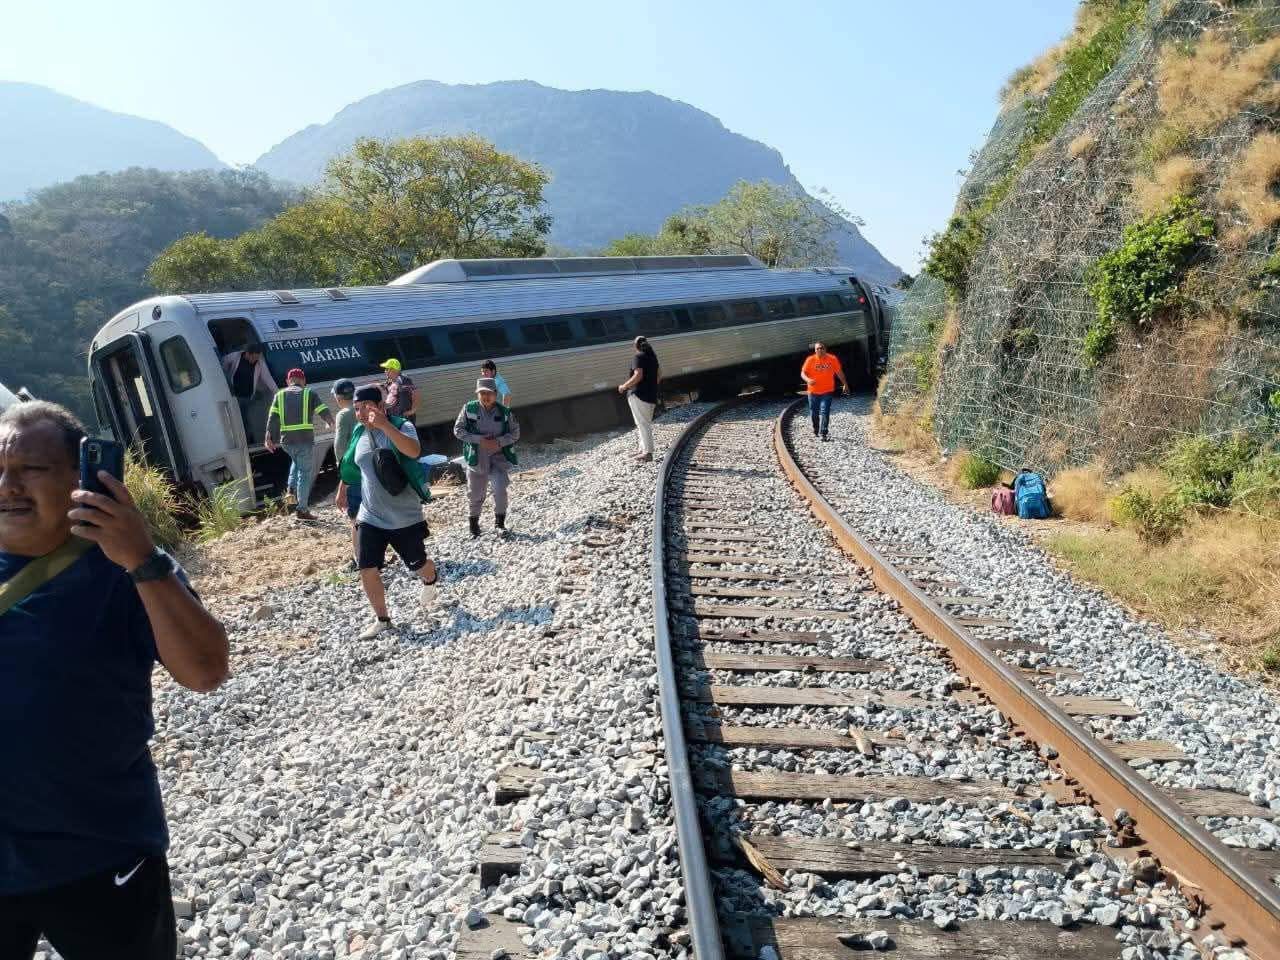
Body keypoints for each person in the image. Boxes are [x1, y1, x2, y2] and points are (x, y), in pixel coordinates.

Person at [0, 401, 228, 959]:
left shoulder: (123, 566)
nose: (8, 486)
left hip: (100, 854)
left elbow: (205, 671)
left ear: (82, 477)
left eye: (31, 469)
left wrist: (142, 559)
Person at [336, 385, 438, 639]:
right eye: (356, 409)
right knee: (366, 566)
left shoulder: (402, 426)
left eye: (366, 407)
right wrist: (342, 489)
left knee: (419, 564)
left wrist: (384, 426)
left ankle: (430, 580)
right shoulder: (359, 431)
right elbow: (352, 463)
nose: (361, 413)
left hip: (404, 516)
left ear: (381, 406)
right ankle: (382, 619)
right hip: (370, 515)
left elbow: (413, 451)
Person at [453, 378, 520, 538]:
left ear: (496, 394)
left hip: (498, 458)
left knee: (500, 490)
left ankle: (500, 524)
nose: (486, 396)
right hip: (477, 458)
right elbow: (458, 430)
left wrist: (499, 442)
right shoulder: (469, 409)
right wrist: (479, 440)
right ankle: (474, 526)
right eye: (482, 393)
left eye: (489, 393)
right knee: (475, 494)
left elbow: (515, 433)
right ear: (477, 394)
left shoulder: (504, 412)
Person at [265, 368, 335, 521]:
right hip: (304, 440)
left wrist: (268, 438)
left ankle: (290, 489)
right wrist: (330, 421)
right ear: (303, 380)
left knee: (296, 461)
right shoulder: (309, 393)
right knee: (304, 474)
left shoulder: (279, 395)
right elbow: (322, 409)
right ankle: (302, 510)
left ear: (288, 381)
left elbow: (272, 418)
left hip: (287, 442)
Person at [220, 342, 277, 446]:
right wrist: (226, 380)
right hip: (234, 396)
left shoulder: (259, 363)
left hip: (247, 397)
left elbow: (268, 379)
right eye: (254, 357)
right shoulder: (235, 357)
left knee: (245, 420)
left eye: (257, 357)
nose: (255, 360)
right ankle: (244, 441)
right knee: (239, 420)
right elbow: (222, 363)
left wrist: (278, 393)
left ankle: (248, 441)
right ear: (247, 353)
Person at [331, 379, 360, 567]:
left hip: (353, 470)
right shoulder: (362, 409)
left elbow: (340, 446)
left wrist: (342, 475)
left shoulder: (344, 414)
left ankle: (360, 559)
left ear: (338, 397)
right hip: (367, 467)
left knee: (356, 516)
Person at [618, 336, 661, 462]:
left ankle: (647, 453)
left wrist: (624, 386)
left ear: (636, 346)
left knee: (643, 424)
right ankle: (642, 449)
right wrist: (651, 386)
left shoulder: (638, 357)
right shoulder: (653, 358)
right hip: (651, 396)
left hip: (639, 395)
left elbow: (638, 375)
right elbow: (659, 376)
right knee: (643, 423)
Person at [799, 341, 848, 442]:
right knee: (814, 412)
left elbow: (839, 372)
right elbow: (803, 373)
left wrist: (845, 384)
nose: (820, 350)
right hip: (813, 392)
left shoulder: (832, 359)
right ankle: (816, 429)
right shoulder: (810, 360)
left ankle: (823, 433)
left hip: (827, 391)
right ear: (815, 350)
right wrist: (808, 380)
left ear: (825, 349)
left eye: (822, 348)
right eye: (817, 348)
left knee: (825, 411)